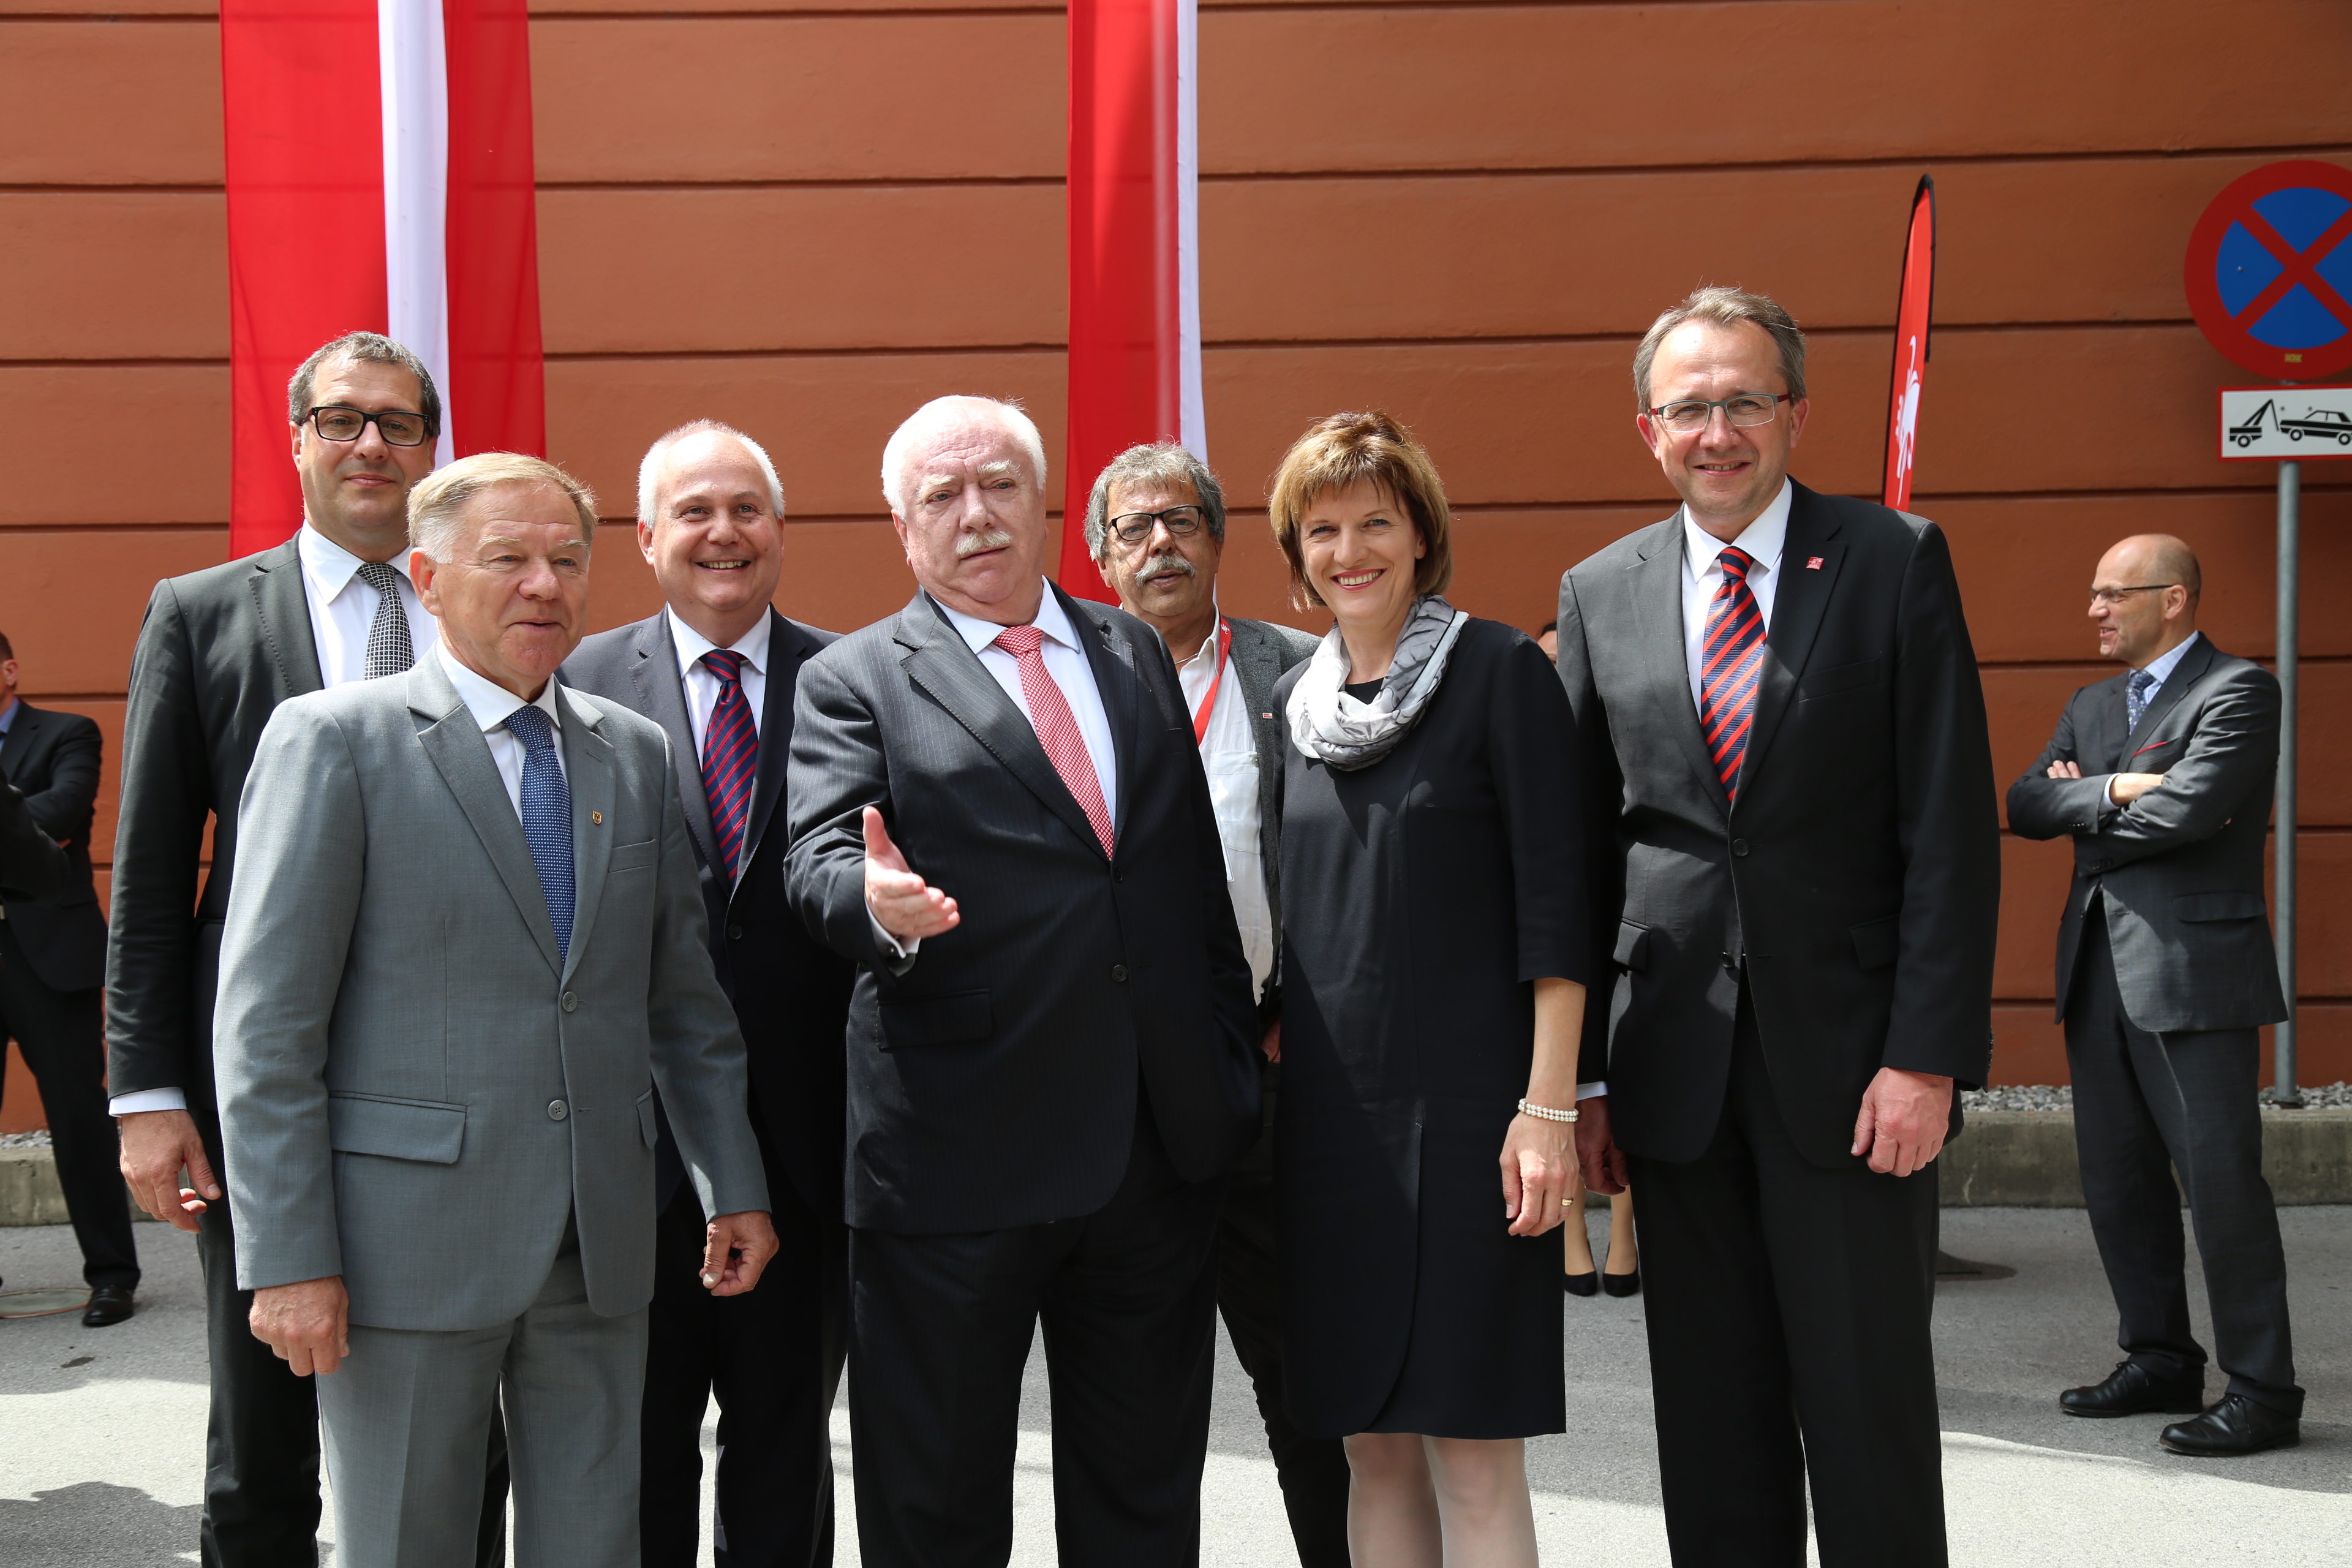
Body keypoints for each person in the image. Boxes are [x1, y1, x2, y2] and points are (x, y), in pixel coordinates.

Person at [212, 451, 777, 1567]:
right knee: (406, 1545)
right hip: (403, 1252)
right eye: (508, 559)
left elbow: (681, 1002)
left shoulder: (634, 750)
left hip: (599, 1241)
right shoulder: (335, 741)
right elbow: (268, 1029)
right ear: (425, 578)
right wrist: (286, 1256)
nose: (545, 586)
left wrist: (733, 1181)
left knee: (594, 1545)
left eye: (567, 560)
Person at [1557, 286, 1999, 1567]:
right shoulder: (1600, 589)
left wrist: (1927, 1055)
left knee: (1866, 1413)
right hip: (1673, 1074)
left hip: (1858, 1071)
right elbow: (1591, 852)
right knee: (1712, 1419)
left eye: (1745, 399)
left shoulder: (1895, 558)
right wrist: (1584, 1075)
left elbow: (1950, 830)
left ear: (1795, 412)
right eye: (1690, 405)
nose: (1719, 429)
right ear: (1649, 428)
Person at [783, 396, 1260, 1568]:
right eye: (940, 496)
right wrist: (875, 906)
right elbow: (817, 858)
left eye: (997, 484)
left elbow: (1187, 875)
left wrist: (1222, 1056)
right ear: (902, 527)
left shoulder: (1132, 649)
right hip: (955, 1157)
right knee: (936, 1505)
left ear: (1041, 501)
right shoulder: (855, 679)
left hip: (1148, 1154)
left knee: (1143, 1500)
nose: (975, 514)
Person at [105, 330, 509, 1567]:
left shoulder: (486, 606)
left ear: (431, 448)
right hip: (266, 1085)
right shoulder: (207, 613)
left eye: (395, 423)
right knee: (265, 1430)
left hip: (460, 1076)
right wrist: (148, 1095)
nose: (369, 444)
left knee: (459, 1429)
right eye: (341, 420)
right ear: (298, 442)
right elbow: (152, 864)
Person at [1267, 410, 1588, 1568]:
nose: (1349, 550)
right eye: (1323, 529)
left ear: (1420, 535)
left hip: (1474, 1126)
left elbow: (1561, 910)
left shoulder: (1498, 671)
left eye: (1375, 523)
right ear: (1297, 551)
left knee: (1471, 1446)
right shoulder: (1294, 714)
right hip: (1332, 1138)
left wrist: (1548, 1107)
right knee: (1373, 1444)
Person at [562, 420, 858, 1564]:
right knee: (637, 1448)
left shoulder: (857, 683)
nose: (722, 533)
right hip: (629, 1146)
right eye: (694, 511)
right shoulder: (576, 684)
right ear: (645, 537)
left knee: (786, 1447)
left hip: (807, 1146)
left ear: (780, 530)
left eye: (746, 509)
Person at [1084, 441, 1347, 1567]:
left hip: (1274, 1083)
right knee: (1137, 1409)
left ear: (1220, 538)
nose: (1160, 545)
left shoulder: (1302, 671)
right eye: (1134, 529)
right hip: (1123, 1105)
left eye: (1182, 521)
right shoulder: (1065, 682)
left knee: (1313, 1393)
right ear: (1097, 556)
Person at [2006, 534, 2301, 1456]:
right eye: (2093, 593)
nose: (2094, 609)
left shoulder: (2239, 690)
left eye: (2112, 594)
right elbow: (2021, 804)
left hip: (2193, 974)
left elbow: (2193, 809)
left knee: (2220, 1187)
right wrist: (2124, 788)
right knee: (2119, 1184)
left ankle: (2263, 1391)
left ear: (2172, 599)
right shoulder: (2091, 703)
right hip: (2097, 971)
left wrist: (2083, 803)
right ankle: (2161, 1357)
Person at [0, 632, 141, 1325]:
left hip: (49, 952)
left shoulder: (65, 732)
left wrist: (19, 819)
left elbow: (64, 812)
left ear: (10, 669)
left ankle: (113, 1275)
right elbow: (36, 825)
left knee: (79, 1118)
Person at [1536, 620, 1638, 1300]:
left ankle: (1624, 1237)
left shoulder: (1617, 737)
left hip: (1626, 935)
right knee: (1566, 1091)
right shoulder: (1525, 739)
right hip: (1562, 944)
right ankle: (1573, 1238)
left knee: (1625, 1096)